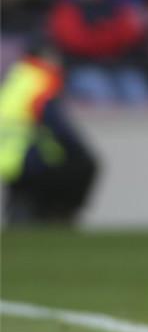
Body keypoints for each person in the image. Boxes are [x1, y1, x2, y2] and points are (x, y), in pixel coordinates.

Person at [0, 39, 99, 225]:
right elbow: (57, 125)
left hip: (7, 158)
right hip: (25, 158)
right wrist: (77, 149)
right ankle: (58, 214)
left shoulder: (17, 78)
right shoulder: (41, 80)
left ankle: (26, 209)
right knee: (85, 164)